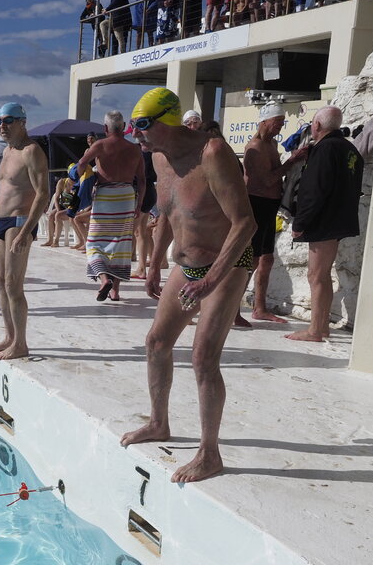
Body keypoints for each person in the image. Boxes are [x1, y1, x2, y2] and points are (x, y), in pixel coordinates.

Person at [121, 87, 258, 483]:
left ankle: (209, 454)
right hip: (187, 266)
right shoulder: (158, 157)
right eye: (131, 127)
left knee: (203, 357)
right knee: (156, 343)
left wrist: (211, 280)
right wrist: (153, 265)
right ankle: (158, 423)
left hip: (227, 264)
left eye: (142, 125)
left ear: (167, 121)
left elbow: (245, 223)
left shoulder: (212, 154)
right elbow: (170, 212)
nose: (135, 134)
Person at [286, 105, 364, 343]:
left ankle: (314, 331)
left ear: (317, 125)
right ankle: (322, 327)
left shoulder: (325, 148)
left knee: (316, 275)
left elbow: (314, 189)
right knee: (322, 275)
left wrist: (300, 223)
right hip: (340, 218)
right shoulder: (350, 149)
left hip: (324, 220)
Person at [0, 103, 49, 361]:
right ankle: (9, 336)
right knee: (1, 282)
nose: (3, 125)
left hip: (19, 221)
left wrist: (26, 231)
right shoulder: (7, 151)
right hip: (2, 222)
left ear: (22, 122)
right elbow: (2, 191)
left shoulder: (31, 151)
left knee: (13, 284)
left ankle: (21, 343)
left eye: (9, 120)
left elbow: (43, 194)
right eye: (0, 121)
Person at [243, 102, 308, 323]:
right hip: (257, 204)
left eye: (282, 122)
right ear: (264, 121)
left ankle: (259, 307)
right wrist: (292, 160)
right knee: (251, 260)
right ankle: (232, 308)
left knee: (267, 259)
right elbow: (268, 180)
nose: (280, 126)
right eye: (277, 122)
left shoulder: (271, 144)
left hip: (270, 205)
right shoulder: (255, 147)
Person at [73, 110, 145, 302]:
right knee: (120, 244)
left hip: (105, 196)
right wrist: (138, 204)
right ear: (123, 127)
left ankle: (104, 279)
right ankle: (115, 292)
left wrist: (82, 181)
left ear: (105, 128)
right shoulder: (135, 149)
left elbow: (81, 164)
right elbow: (142, 180)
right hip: (127, 196)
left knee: (94, 242)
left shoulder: (100, 145)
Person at [131, 147, 158, 279]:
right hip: (150, 191)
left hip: (142, 192)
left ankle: (120, 267)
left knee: (130, 232)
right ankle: (141, 269)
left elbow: (140, 177)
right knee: (140, 232)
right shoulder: (153, 152)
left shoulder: (140, 153)